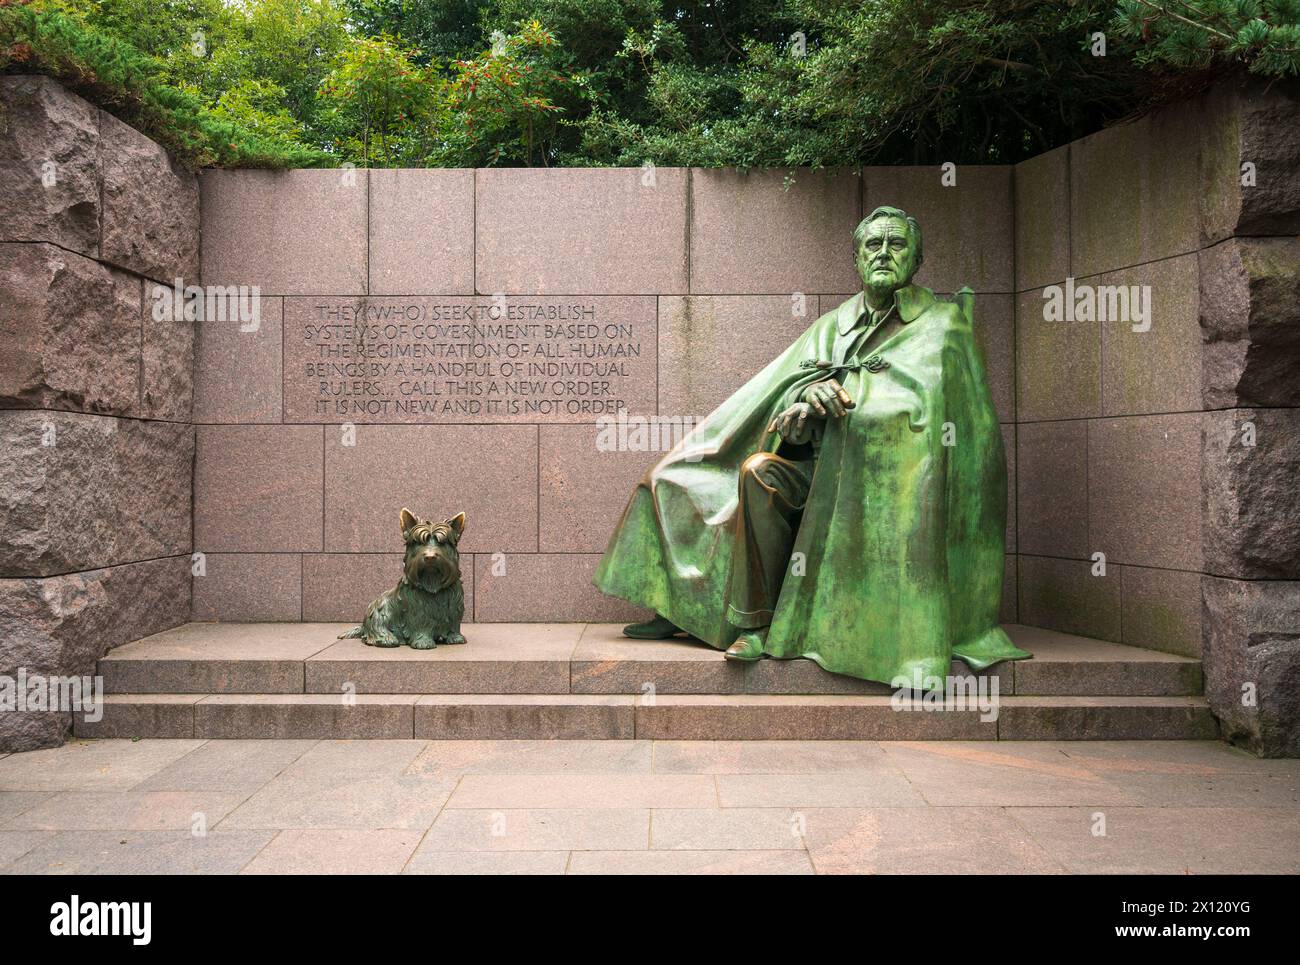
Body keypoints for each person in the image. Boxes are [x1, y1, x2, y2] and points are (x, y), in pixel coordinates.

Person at [592, 206, 1029, 686]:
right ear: (858, 259)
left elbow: (955, 430)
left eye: (896, 244)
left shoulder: (944, 325)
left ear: (917, 257)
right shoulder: (831, 325)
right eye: (872, 245)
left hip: (881, 486)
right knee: (729, 473)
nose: (883, 254)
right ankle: (727, 617)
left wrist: (853, 406)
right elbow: (780, 395)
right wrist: (803, 402)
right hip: (812, 468)